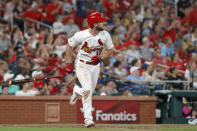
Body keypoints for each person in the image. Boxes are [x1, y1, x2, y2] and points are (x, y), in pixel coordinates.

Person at [65, 12, 114, 128]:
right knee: (87, 89)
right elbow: (69, 46)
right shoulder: (81, 35)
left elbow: (110, 50)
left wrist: (100, 58)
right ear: (95, 24)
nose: (103, 23)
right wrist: (68, 63)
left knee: (89, 92)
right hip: (82, 65)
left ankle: (77, 91)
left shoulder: (105, 35)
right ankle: (88, 119)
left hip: (95, 66)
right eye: (101, 21)